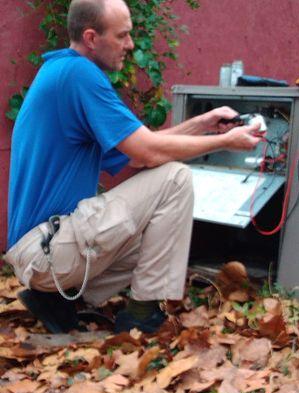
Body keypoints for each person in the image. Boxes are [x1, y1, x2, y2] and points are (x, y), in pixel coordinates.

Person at [4, 0, 261, 334]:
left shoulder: (61, 72)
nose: (130, 45)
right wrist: (226, 142)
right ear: (92, 37)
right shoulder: (80, 75)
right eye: (122, 35)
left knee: (161, 234)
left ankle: (56, 299)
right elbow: (151, 154)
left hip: (43, 253)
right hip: (48, 253)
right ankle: (140, 315)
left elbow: (138, 154)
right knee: (175, 178)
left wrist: (203, 123)